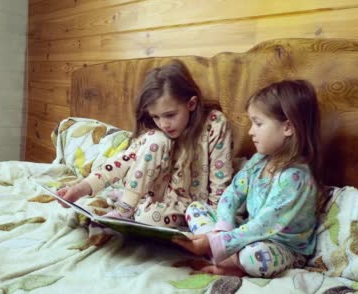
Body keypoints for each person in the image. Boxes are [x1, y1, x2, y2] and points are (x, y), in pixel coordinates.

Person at [173, 79, 323, 278]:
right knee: (195, 208)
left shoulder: (295, 178)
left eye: (258, 123)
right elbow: (233, 193)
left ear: (288, 127)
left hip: (281, 247)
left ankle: (229, 260)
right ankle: (223, 253)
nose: (250, 131)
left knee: (256, 257)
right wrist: (221, 229)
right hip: (247, 234)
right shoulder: (259, 161)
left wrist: (216, 242)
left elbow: (264, 225)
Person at [57, 60, 234, 228]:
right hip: (151, 198)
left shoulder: (215, 123)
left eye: (170, 115)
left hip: (190, 208)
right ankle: (126, 207)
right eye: (155, 116)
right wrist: (80, 189)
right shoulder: (157, 135)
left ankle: (128, 205)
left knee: (146, 218)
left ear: (191, 103)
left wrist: (215, 225)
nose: (163, 124)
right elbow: (121, 162)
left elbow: (221, 179)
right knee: (157, 141)